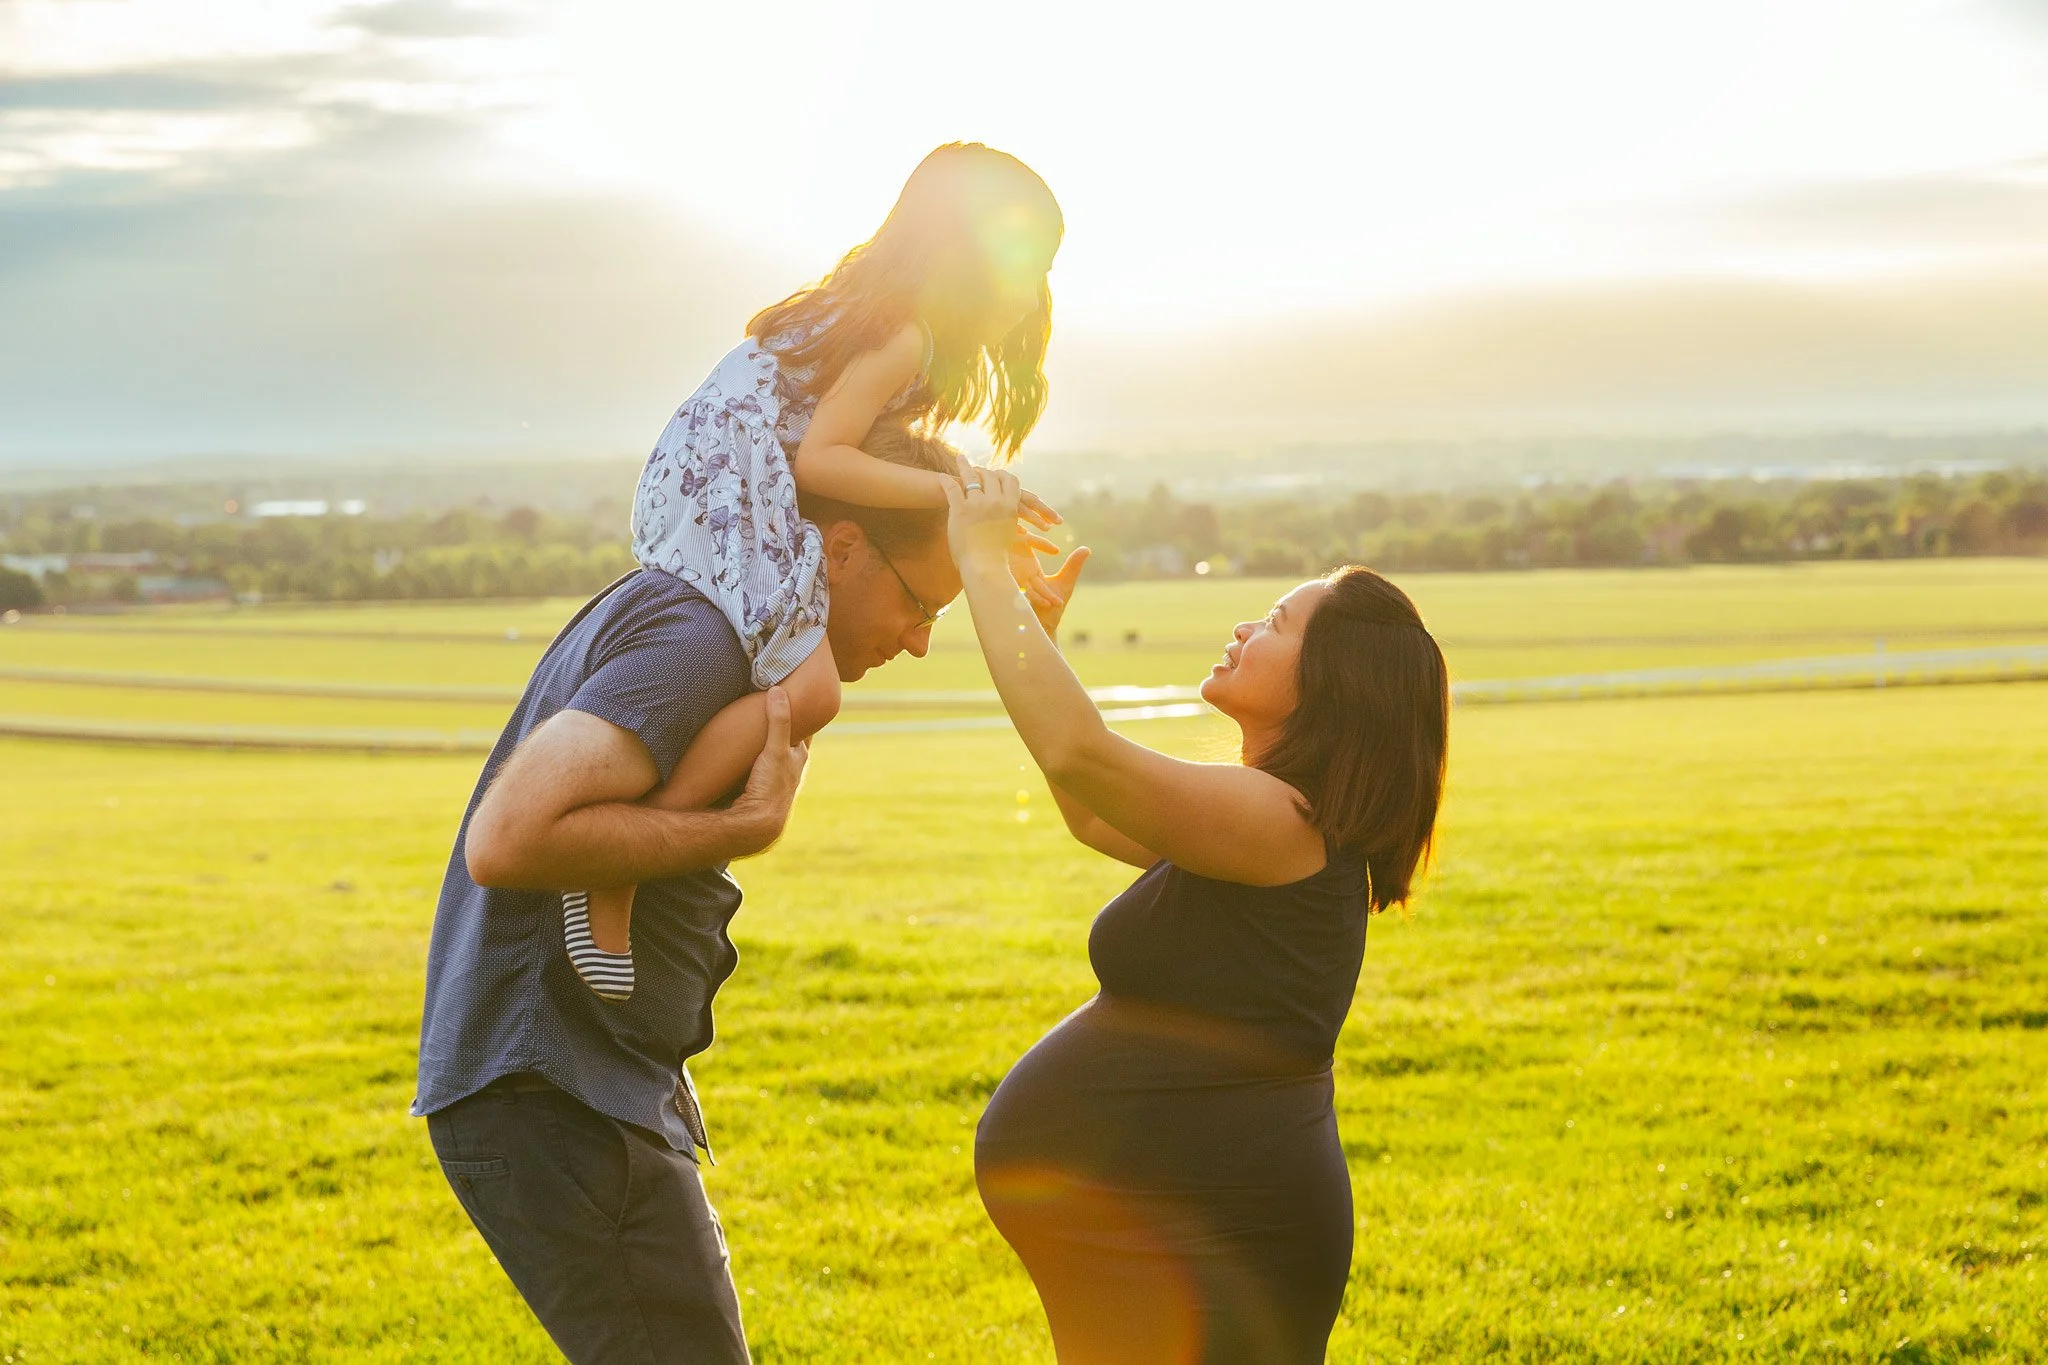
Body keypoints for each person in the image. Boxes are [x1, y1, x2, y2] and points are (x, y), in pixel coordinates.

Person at [413, 422, 980, 1364]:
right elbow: (511, 837)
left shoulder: (721, 631)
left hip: (574, 1089)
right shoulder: (701, 639)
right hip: (555, 1093)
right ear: (839, 547)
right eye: (921, 602)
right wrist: (739, 829)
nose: (919, 642)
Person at [946, 470, 1451, 1363]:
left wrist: (981, 562)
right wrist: (1039, 632)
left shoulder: (1281, 823)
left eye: (1277, 624)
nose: (1244, 628)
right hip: (1166, 1237)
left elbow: (1081, 753)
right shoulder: (1263, 820)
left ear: (1328, 681)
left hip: (1220, 1239)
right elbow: (1092, 808)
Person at [566, 141, 1066, 1002]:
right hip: (730, 479)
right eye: (1027, 263)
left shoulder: (878, 317)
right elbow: (824, 464)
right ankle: (626, 855)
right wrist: (956, 499)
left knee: (787, 683)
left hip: (706, 474)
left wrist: (973, 518)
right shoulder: (904, 332)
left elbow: (845, 459)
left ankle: (640, 843)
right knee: (814, 693)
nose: (1034, 290)